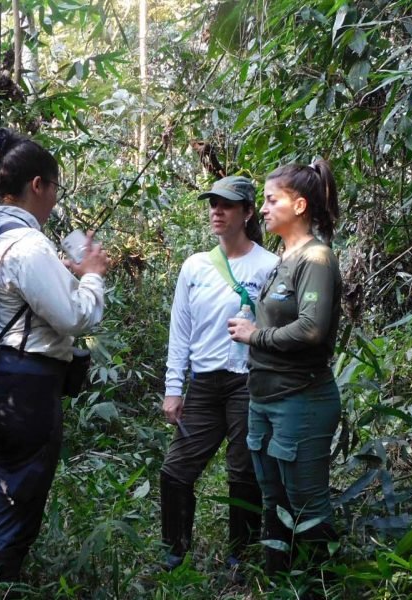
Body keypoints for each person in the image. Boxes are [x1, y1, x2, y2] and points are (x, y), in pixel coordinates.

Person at [0, 127, 109, 581]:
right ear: (38, 185)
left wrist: (59, 275)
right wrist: (93, 275)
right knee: (18, 499)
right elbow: (76, 318)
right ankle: (1, 584)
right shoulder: (28, 244)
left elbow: (10, 298)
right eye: (55, 187)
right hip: (22, 391)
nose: (56, 198)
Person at [227, 160, 342, 576]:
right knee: (272, 497)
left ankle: (319, 585)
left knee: (306, 503)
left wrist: (255, 335)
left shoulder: (316, 258)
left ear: (299, 205)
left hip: (302, 399)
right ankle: (279, 580)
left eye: (272, 199)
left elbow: (311, 330)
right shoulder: (285, 258)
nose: (264, 208)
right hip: (266, 398)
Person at [160, 176, 278, 574]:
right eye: (213, 203)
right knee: (176, 471)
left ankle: (240, 557)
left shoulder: (269, 266)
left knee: (243, 471)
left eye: (227, 204)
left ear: (247, 212)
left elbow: (280, 327)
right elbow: (181, 329)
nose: (217, 211)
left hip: (248, 381)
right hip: (204, 383)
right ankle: (174, 552)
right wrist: (173, 388)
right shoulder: (195, 265)